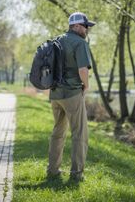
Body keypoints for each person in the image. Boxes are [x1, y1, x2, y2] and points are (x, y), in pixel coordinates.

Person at [46, 12, 95, 182]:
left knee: (58, 132)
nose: (87, 29)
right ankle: (77, 174)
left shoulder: (57, 39)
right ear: (76, 26)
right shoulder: (80, 43)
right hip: (73, 93)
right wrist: (86, 86)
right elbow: (83, 70)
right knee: (79, 134)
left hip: (55, 94)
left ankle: (52, 171)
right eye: (86, 26)